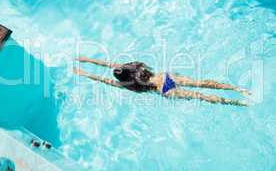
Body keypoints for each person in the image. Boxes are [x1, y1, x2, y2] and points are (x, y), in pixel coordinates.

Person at [74, 57, 250, 106]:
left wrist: (83, 73)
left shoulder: (125, 83)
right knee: (201, 83)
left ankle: (236, 102)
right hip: (166, 77)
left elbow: (103, 79)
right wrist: (87, 59)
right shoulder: (134, 66)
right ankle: (238, 89)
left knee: (200, 96)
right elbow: (107, 63)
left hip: (164, 89)